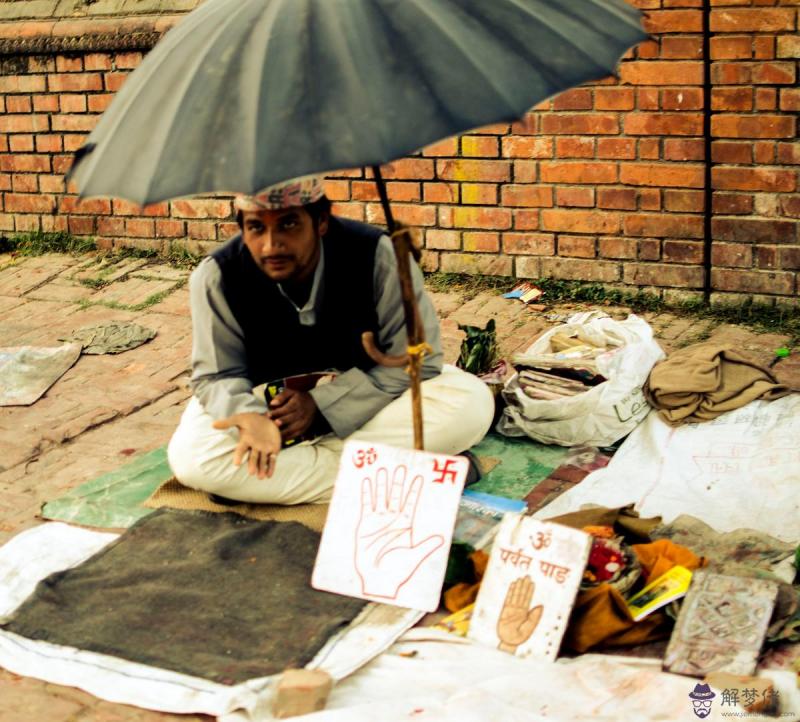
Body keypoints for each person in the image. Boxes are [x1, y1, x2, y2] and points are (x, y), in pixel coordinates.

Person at [167, 176, 494, 505]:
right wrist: (250, 418)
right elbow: (216, 375)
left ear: (321, 221)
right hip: (267, 409)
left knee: (470, 402)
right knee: (193, 458)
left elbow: (417, 361)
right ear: (241, 228)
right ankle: (416, 474)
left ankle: (268, 478)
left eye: (289, 224)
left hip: (366, 397)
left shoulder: (379, 255)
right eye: (255, 228)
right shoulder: (216, 276)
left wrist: (322, 408)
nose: (271, 245)